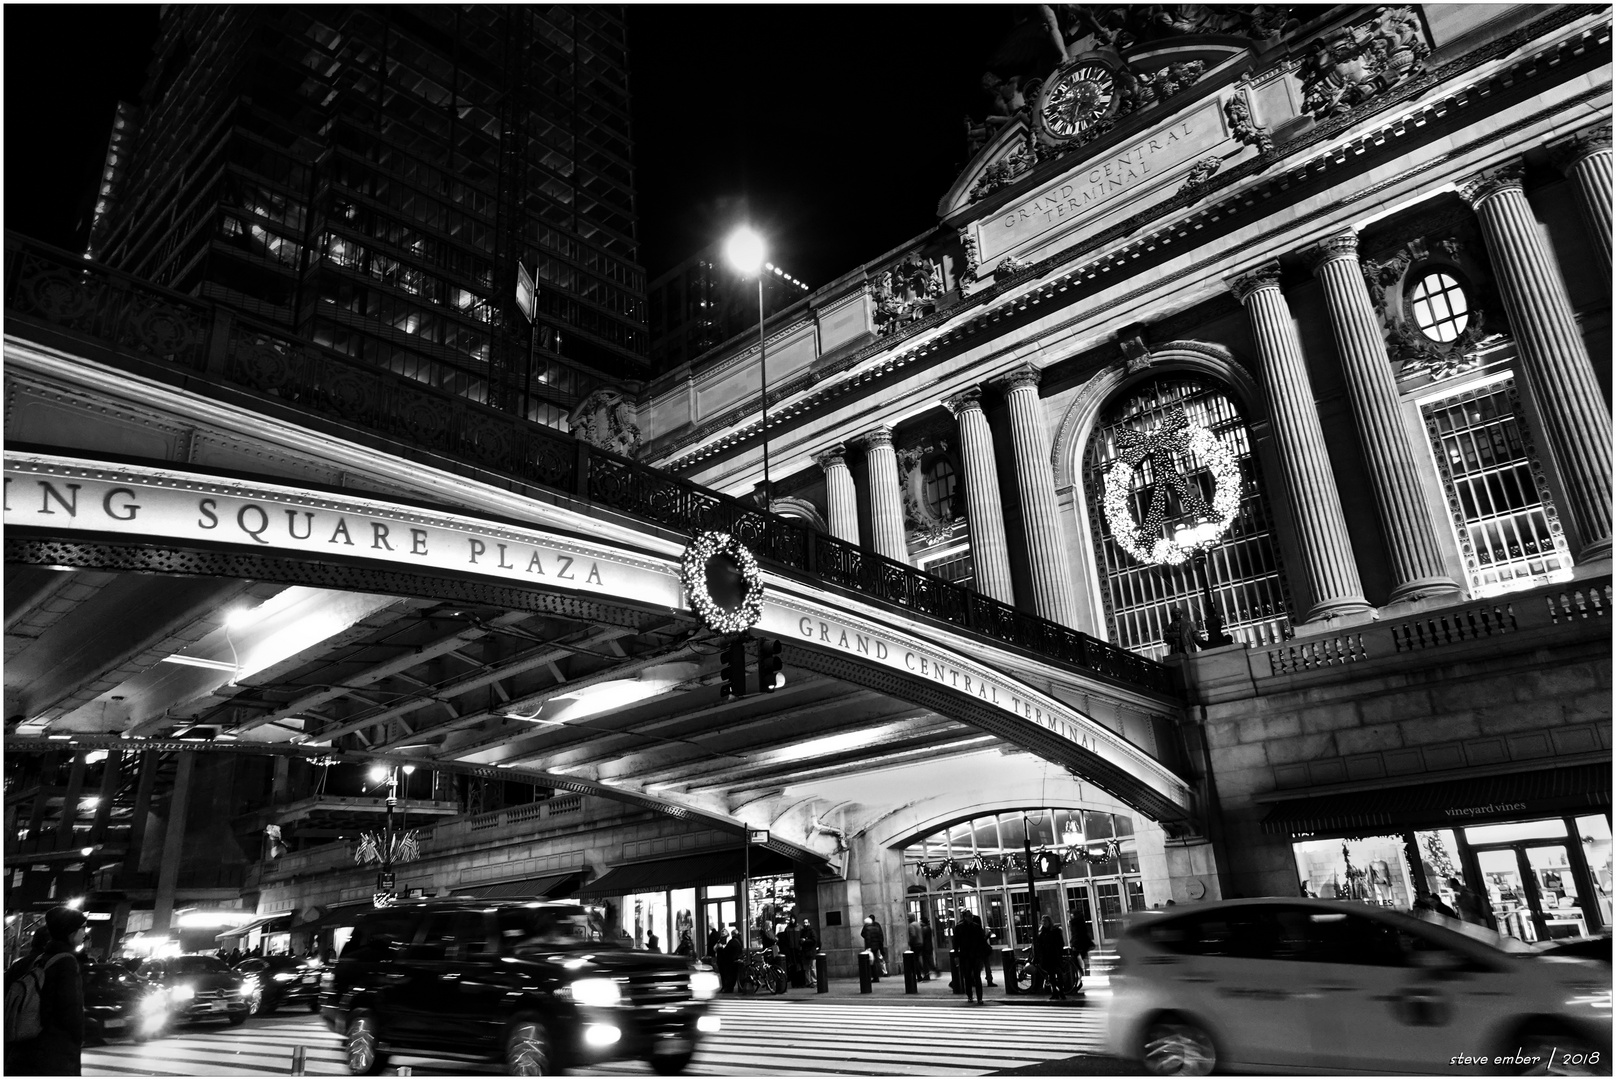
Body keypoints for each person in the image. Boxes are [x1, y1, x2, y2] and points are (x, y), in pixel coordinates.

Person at [5, 905, 88, 1075]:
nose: (84, 934)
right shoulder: (67, 962)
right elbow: (70, 1011)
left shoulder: (42, 959)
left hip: (29, 1044)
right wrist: (78, 1038)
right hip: (55, 1051)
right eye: (82, 928)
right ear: (70, 931)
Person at [954, 911, 988, 1004]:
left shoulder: (975, 926)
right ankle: (970, 996)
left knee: (977, 976)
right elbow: (956, 942)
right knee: (968, 976)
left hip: (974, 954)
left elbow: (981, 940)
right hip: (966, 955)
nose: (970, 918)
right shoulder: (960, 927)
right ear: (964, 917)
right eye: (969, 916)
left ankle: (979, 997)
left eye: (971, 916)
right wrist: (956, 954)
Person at [1035, 915, 1067, 1000]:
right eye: (1043, 921)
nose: (1044, 923)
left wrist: (1058, 951)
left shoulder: (1055, 931)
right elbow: (1040, 944)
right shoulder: (1042, 932)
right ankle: (1055, 993)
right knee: (1052, 976)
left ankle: (1061, 992)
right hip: (1047, 957)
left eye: (1045, 921)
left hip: (1055, 956)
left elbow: (1060, 943)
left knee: (1058, 974)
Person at [1067, 910, 1094, 988]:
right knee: (1085, 959)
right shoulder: (1082, 922)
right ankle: (1087, 974)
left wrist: (1073, 943)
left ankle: (1080, 973)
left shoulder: (1074, 923)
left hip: (1077, 944)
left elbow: (1075, 934)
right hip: (1084, 944)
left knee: (1074, 960)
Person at [906, 914, 926, 980]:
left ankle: (919, 975)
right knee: (917, 959)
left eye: (908, 917)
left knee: (915, 960)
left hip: (915, 944)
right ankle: (923, 972)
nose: (907, 919)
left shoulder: (911, 925)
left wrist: (910, 942)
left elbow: (913, 935)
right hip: (920, 943)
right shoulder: (917, 924)